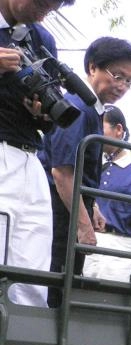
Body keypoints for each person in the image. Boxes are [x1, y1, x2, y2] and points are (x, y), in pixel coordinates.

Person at [42, 36, 131, 306]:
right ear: (92, 68)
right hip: (59, 213)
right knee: (56, 286)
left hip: (74, 205)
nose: (122, 86)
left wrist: (93, 207)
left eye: (129, 81)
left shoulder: (93, 111)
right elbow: (62, 172)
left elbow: (80, 171)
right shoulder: (77, 107)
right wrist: (84, 226)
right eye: (117, 75)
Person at [0, 0, 76, 306]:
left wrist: (42, 113)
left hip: (31, 160)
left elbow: (50, 123)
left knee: (31, 276)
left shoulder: (42, 39)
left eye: (54, 7)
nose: (44, 13)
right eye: (43, 3)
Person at [82, 105, 131, 286]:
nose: (96, 133)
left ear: (118, 130)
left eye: (101, 127)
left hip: (123, 251)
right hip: (89, 245)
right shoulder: (92, 166)